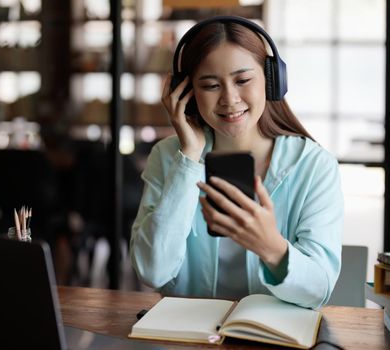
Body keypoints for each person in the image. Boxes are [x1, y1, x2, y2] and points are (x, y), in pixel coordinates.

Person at [130, 16, 343, 309]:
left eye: (243, 80)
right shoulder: (168, 157)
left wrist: (272, 248)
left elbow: (319, 291)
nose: (229, 99)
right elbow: (151, 272)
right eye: (210, 85)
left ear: (271, 80)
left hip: (273, 337)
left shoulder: (314, 166)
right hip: (189, 337)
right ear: (187, 93)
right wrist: (189, 158)